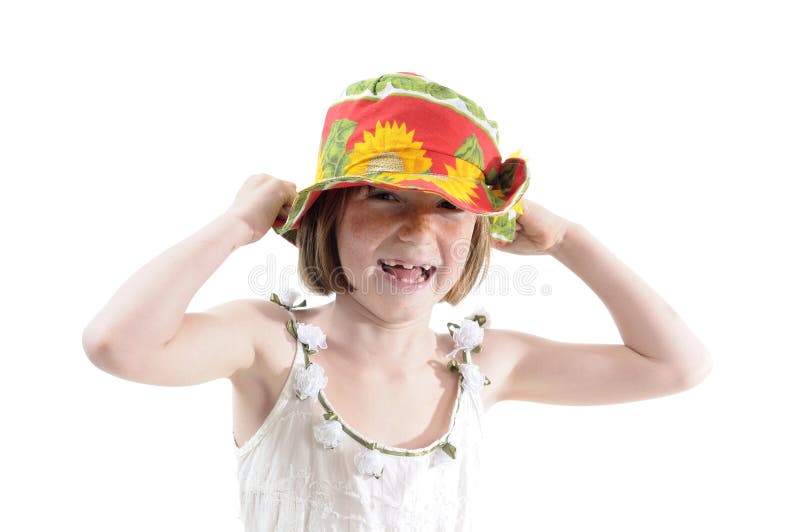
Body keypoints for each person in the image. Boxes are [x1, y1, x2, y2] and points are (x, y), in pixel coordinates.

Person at [82, 72, 713, 531]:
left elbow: (677, 365)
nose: (418, 231)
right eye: (384, 197)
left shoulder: (486, 365)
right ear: (326, 217)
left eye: (448, 208)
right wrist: (238, 225)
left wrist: (570, 241)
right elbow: (118, 344)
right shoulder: (270, 346)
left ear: (476, 234)